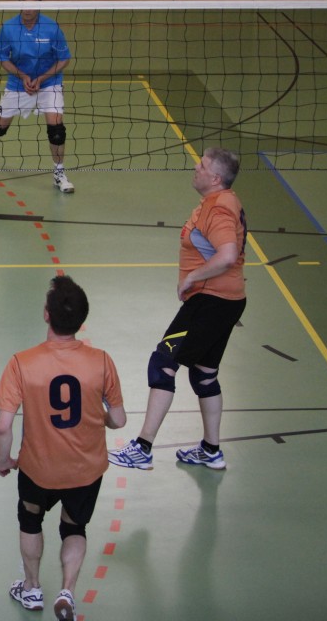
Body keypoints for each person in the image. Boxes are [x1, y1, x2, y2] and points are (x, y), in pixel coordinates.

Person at [0, 276, 126, 621]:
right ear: (82, 321)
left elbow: (3, 426)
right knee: (74, 528)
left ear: (46, 315)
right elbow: (119, 419)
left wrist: (4, 460)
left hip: (38, 469)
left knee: (30, 519)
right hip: (86, 470)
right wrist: (100, 418)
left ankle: (32, 588)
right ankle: (67, 591)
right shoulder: (101, 361)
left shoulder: (22, 363)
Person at [108, 147, 246, 472]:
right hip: (226, 301)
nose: (196, 167)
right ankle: (211, 450)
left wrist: (192, 278)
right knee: (204, 374)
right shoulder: (219, 201)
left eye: (203, 165)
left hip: (211, 300)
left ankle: (142, 448)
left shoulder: (219, 208)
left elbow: (227, 255)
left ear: (216, 178)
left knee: (163, 364)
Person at [0, 0, 75, 193]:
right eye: (24, 3)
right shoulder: (8, 28)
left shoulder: (51, 27)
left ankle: (59, 173)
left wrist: (42, 78)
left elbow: (64, 59)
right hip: (18, 84)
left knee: (56, 130)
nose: (27, 8)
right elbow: (2, 58)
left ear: (40, 5)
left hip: (49, 83)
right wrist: (23, 76)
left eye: (32, 4)